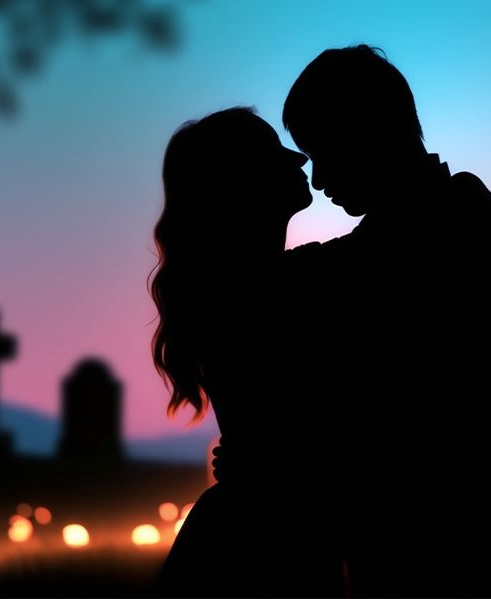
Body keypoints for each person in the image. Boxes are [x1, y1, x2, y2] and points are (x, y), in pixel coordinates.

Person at [272, 44, 491, 597]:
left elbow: (332, 277)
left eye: (324, 151)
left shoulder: (449, 221)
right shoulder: (438, 221)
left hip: (444, 561)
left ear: (364, 130)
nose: (318, 181)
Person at [151, 107, 345, 597]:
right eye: (272, 150)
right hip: (267, 548)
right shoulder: (281, 289)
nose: (298, 157)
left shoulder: (232, 290)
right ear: (239, 183)